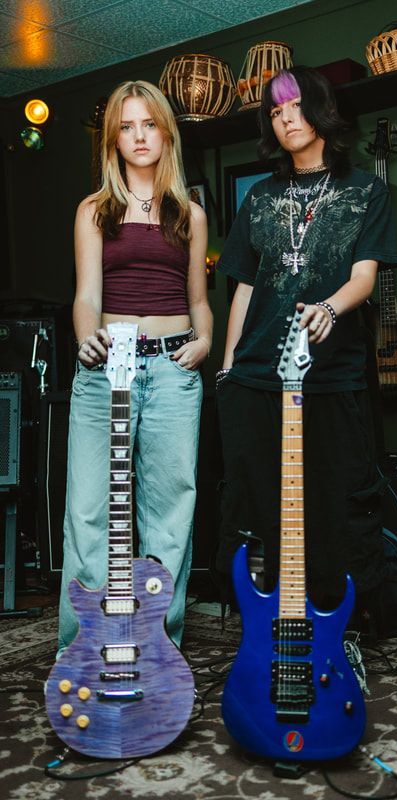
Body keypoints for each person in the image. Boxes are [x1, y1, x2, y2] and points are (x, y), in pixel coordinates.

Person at [215, 66, 397, 623]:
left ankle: (338, 628)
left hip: (331, 374)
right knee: (259, 506)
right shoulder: (260, 198)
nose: (286, 117)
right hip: (256, 376)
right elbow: (243, 289)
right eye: (275, 110)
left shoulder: (366, 190)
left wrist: (327, 309)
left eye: (293, 105)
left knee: (336, 505)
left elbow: (364, 278)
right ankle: (265, 626)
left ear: (320, 110)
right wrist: (227, 370)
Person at [57, 79, 212, 655]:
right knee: (90, 512)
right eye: (127, 126)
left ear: (165, 131)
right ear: (113, 140)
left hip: (173, 368)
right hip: (106, 370)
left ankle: (157, 649)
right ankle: (81, 649)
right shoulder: (94, 211)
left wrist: (205, 342)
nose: (139, 135)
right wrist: (85, 339)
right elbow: (86, 296)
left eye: (149, 124)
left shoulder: (190, 213)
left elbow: (198, 299)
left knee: (170, 514)